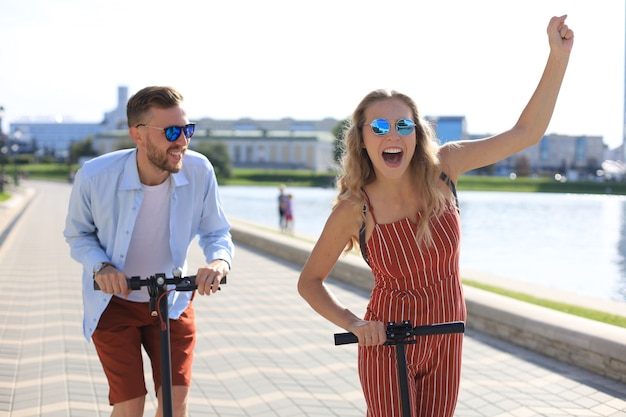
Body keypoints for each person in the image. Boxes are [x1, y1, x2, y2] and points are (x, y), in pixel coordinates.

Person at [298, 16, 573, 417]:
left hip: (447, 340)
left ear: (416, 134)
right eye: (379, 126)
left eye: (403, 124)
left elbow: (527, 132)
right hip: (388, 344)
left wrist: (558, 57)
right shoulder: (355, 209)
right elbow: (310, 281)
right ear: (362, 139)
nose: (392, 134)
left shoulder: (446, 167)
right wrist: (355, 323)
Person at [63, 86, 234, 417]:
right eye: (171, 131)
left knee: (174, 401)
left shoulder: (200, 170)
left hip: (171, 300)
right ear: (138, 135)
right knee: (130, 405)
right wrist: (101, 267)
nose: (182, 141)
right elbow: (78, 235)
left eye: (187, 130)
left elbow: (216, 231)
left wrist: (218, 260)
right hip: (113, 302)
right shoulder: (95, 177)